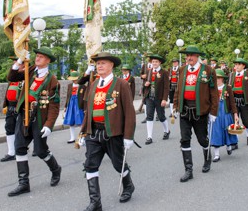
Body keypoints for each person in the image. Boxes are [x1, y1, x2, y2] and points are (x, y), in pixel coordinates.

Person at [79, 52, 137, 209]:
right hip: (94, 133)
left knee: (119, 164)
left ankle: (128, 185)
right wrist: (84, 132)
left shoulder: (121, 84)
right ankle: (95, 202)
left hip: (112, 133)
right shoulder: (93, 85)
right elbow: (88, 110)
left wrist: (128, 136)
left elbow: (130, 112)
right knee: (90, 165)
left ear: (111, 65)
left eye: (103, 63)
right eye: (98, 64)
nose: (99, 66)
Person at [6, 46, 61, 197]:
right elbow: (11, 77)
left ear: (48, 61)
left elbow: (54, 106)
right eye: (37, 56)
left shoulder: (52, 80)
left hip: (39, 119)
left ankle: (56, 169)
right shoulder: (30, 71)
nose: (37, 58)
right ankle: (23, 183)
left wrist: (49, 125)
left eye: (41, 57)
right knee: (19, 147)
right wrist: (19, 60)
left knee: (41, 150)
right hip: (23, 115)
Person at [174, 45, 218, 182]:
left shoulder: (208, 71)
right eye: (187, 56)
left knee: (202, 139)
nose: (188, 58)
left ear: (197, 56)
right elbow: (178, 90)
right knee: (184, 139)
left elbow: (214, 93)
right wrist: (175, 106)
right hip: (185, 111)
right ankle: (188, 170)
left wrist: (213, 112)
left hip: (201, 111)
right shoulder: (182, 70)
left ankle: (207, 159)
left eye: (191, 55)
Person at [227, 58, 248, 146]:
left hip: (244, 101)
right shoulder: (231, 75)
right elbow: (228, 87)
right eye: (235, 64)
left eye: (238, 64)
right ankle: (235, 141)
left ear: (243, 66)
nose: (236, 66)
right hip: (234, 100)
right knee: (234, 121)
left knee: (246, 121)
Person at [210, 69, 238, 161]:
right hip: (215, 113)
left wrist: (235, 114)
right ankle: (217, 154)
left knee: (227, 130)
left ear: (222, 79)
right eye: (215, 78)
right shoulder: (211, 88)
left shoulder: (228, 88)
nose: (216, 80)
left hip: (225, 112)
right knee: (216, 132)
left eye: (218, 78)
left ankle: (229, 145)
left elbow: (232, 102)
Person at [142, 54, 170, 144]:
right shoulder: (149, 71)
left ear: (159, 63)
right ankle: (149, 137)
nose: (154, 63)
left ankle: (167, 131)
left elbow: (166, 87)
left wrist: (164, 99)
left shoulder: (164, 72)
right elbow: (146, 83)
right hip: (150, 97)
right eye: (153, 62)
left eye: (156, 62)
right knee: (149, 116)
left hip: (159, 98)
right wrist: (146, 84)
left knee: (161, 117)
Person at [1, 57, 22, 161]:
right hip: (10, 107)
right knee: (9, 128)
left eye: (17, 63)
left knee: (21, 130)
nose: (15, 65)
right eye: (14, 63)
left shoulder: (25, 78)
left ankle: (23, 149)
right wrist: (6, 105)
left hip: (20, 108)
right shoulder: (11, 79)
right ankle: (11, 152)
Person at [64, 70, 86, 144]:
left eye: (75, 78)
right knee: (71, 121)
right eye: (72, 79)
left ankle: (82, 138)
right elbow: (68, 96)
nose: (74, 80)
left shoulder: (83, 86)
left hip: (79, 105)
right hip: (71, 104)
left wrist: (85, 108)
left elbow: (85, 98)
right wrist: (65, 106)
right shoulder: (70, 86)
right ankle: (72, 137)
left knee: (80, 122)